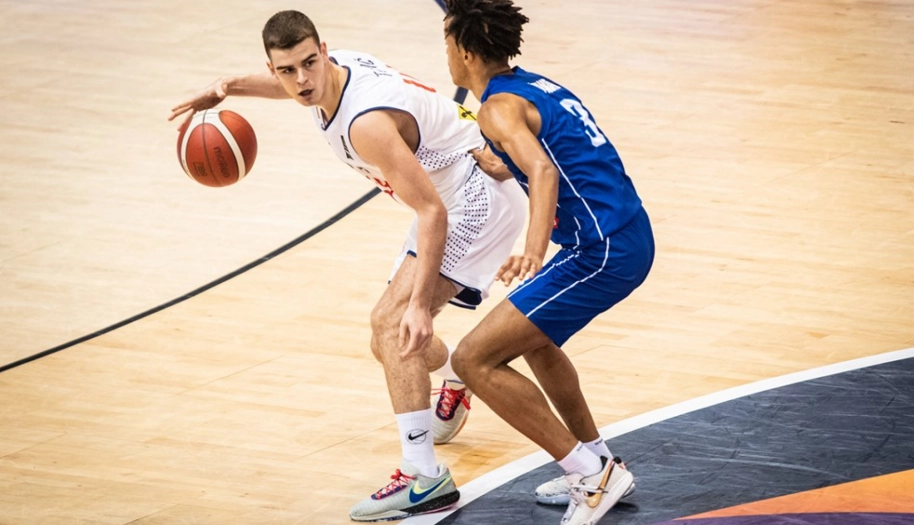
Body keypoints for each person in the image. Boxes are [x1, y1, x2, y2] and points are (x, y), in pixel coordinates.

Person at [168, 10, 526, 522]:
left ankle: (423, 476)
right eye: (286, 70)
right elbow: (292, 88)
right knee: (387, 340)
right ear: (273, 68)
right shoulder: (329, 76)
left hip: (474, 198)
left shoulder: (365, 124)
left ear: (324, 51)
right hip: (447, 192)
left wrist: (419, 306)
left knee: (395, 325)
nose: (301, 80)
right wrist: (226, 87)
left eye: (308, 64)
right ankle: (454, 378)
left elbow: (432, 212)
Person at [442, 1, 655, 524]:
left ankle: (590, 477)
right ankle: (599, 460)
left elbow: (542, 170)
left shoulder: (496, 109)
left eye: (446, 42)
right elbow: (553, 152)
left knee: (472, 360)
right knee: (533, 340)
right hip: (623, 234)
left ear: (465, 52)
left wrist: (532, 250)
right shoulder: (533, 86)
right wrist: (499, 163)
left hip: (602, 250)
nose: (443, 53)